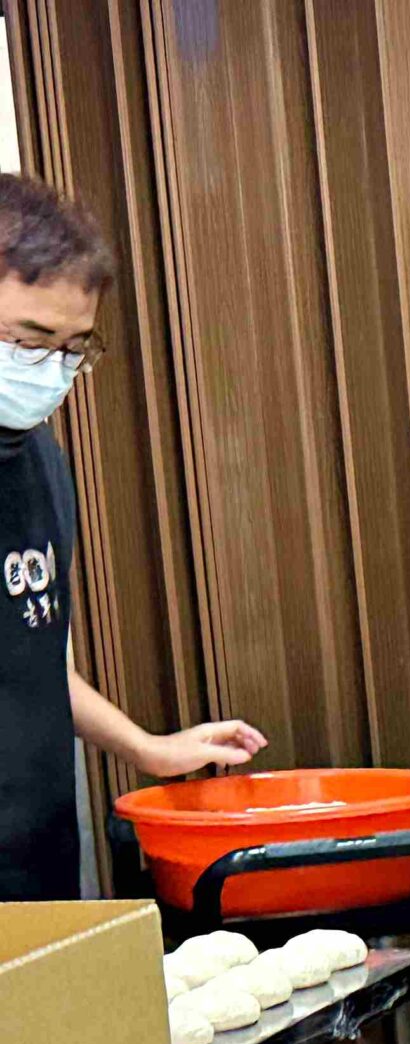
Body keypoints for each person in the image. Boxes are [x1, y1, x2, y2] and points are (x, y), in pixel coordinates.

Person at [0, 175, 263, 902]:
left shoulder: (37, 459)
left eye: (73, 348)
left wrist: (146, 748)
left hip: (36, 865)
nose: (49, 371)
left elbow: (29, 653)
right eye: (29, 342)